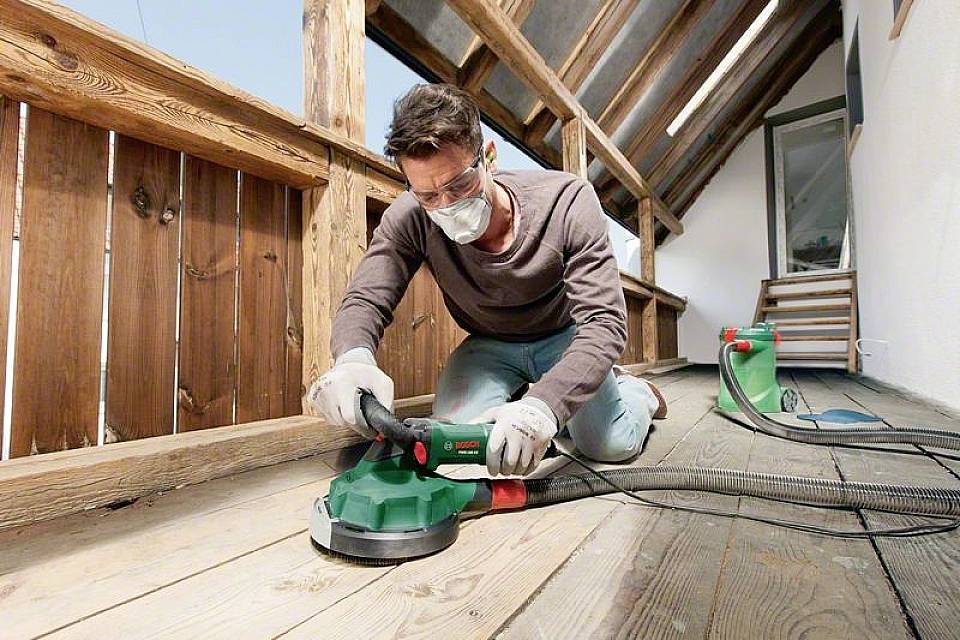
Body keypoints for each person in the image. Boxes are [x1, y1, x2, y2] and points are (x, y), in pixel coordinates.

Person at [307, 83, 666, 477]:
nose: (446, 205)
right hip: (488, 346)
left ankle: (636, 393)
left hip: (565, 337)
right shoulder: (409, 217)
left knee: (609, 445)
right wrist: (352, 359)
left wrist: (542, 407)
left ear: (488, 157)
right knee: (461, 441)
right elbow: (366, 298)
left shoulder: (567, 201)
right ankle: (551, 402)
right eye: (428, 195)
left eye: (458, 184)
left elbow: (604, 322)